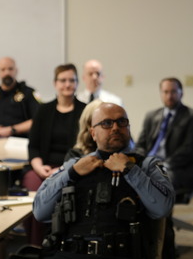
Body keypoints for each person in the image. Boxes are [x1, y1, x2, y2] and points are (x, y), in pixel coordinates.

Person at [33, 102, 174, 259]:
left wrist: (129, 169)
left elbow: (163, 208)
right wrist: (72, 174)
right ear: (93, 133)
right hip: (70, 252)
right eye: (107, 123)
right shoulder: (74, 165)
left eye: (122, 122)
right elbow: (40, 211)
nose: (115, 128)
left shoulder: (146, 165)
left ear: (128, 128)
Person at [135, 77, 193, 258]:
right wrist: (140, 162)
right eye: (165, 92)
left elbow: (189, 150)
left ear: (181, 93)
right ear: (161, 94)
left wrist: (162, 165)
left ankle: (165, 244)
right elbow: (141, 144)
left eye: (173, 91)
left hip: (176, 169)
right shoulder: (152, 115)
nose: (169, 95)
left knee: (161, 181)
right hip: (150, 165)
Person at [23, 63, 86, 246]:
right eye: (63, 80)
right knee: (34, 194)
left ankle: (52, 244)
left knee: (55, 193)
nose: (67, 84)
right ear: (55, 83)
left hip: (70, 168)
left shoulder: (84, 111)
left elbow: (85, 149)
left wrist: (61, 169)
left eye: (71, 80)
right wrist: (39, 167)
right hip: (41, 168)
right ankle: (34, 246)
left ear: (76, 83)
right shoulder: (43, 110)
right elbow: (33, 146)